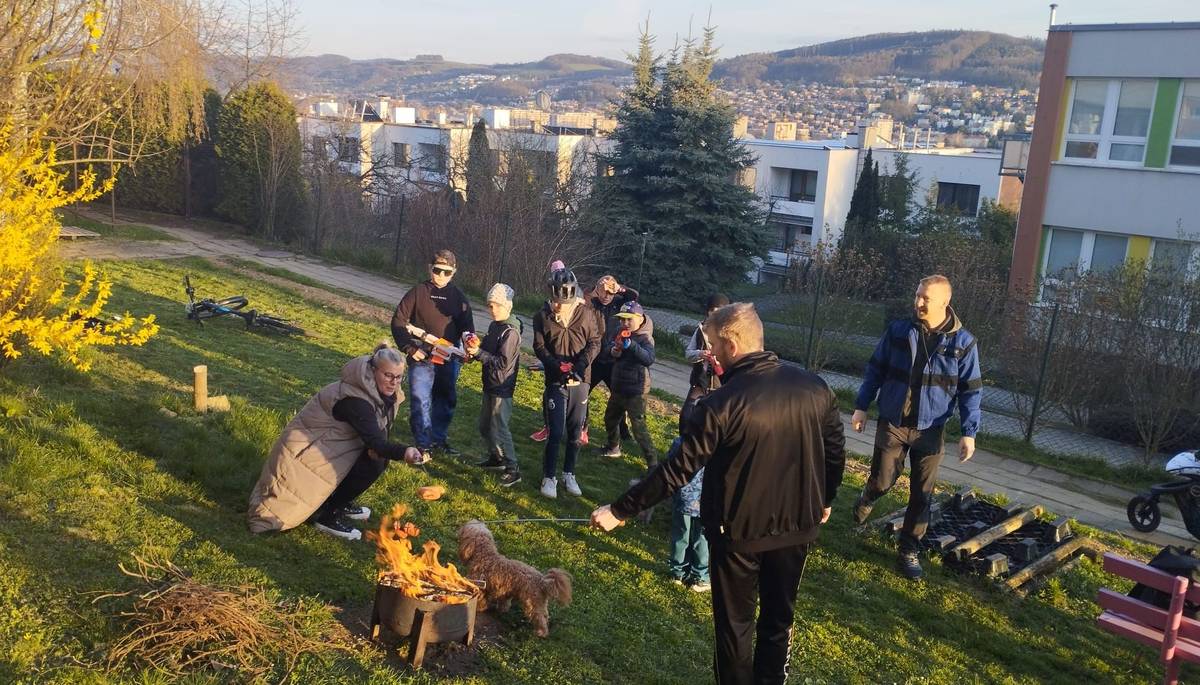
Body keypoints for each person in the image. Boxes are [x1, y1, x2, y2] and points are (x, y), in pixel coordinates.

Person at [591, 303, 846, 685]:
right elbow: (835, 452)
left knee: (736, 629)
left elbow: (678, 469)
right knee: (778, 621)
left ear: (731, 344)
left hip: (739, 535)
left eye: (712, 345)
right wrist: (825, 497)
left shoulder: (721, 404)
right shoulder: (814, 387)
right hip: (794, 527)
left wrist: (620, 510)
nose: (709, 354)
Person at [849, 274, 982, 581]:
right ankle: (868, 497)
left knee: (922, 494)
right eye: (918, 295)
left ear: (944, 304)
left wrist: (968, 432)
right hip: (893, 421)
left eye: (926, 298)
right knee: (883, 481)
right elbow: (875, 369)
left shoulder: (963, 343)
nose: (918, 302)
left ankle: (909, 549)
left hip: (930, 429)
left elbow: (972, 390)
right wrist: (861, 405)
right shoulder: (898, 330)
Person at [247, 344, 425, 540]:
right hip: (305, 455)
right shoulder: (356, 400)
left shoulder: (377, 391)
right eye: (388, 375)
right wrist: (405, 451)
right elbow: (375, 440)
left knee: (376, 457)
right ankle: (328, 515)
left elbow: (377, 435)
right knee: (375, 460)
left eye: (399, 377)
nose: (393, 383)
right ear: (373, 370)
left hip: (328, 448)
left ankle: (336, 501)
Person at [391, 249, 474, 459]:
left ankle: (438, 438)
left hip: (448, 356)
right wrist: (410, 348)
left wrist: (469, 347)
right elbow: (399, 322)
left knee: (445, 398)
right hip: (422, 354)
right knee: (420, 398)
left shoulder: (458, 297)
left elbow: (467, 329)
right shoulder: (418, 292)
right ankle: (423, 442)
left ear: (454, 272)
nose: (441, 276)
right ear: (430, 268)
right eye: (437, 270)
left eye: (447, 272)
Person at [532, 267, 602, 498]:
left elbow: (594, 342)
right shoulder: (542, 316)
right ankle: (549, 476)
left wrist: (579, 366)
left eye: (564, 301)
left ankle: (569, 473)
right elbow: (539, 347)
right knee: (556, 431)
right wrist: (555, 366)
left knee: (575, 432)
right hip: (556, 380)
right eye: (556, 301)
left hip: (581, 380)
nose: (559, 306)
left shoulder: (587, 314)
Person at [465, 283, 523, 487]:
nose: (493, 310)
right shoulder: (494, 326)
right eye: (490, 305)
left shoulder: (510, 331)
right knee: (484, 426)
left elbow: (502, 362)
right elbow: (487, 351)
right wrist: (474, 349)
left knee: (500, 428)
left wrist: (479, 354)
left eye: (497, 305)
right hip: (489, 384)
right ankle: (496, 458)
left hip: (502, 388)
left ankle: (512, 467)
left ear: (507, 305)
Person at [599, 301, 657, 473]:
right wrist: (612, 351)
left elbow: (648, 359)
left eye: (628, 320)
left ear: (639, 319)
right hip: (618, 385)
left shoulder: (646, 337)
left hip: (636, 390)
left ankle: (653, 462)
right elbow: (607, 349)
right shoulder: (619, 332)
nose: (624, 323)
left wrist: (632, 346)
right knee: (610, 419)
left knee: (639, 428)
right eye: (622, 320)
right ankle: (613, 447)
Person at [681, 292, 731, 433]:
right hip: (700, 382)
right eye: (712, 311)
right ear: (708, 312)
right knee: (686, 416)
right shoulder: (701, 330)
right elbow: (688, 353)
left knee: (712, 424)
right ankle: (682, 445)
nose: (715, 315)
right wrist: (700, 353)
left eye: (719, 312)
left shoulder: (730, 333)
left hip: (720, 385)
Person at [666, 436, 710, 593]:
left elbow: (668, 467)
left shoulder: (680, 443)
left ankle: (678, 572)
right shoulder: (716, 445)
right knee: (702, 538)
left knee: (680, 535)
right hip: (707, 501)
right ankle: (700, 575)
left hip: (683, 498)